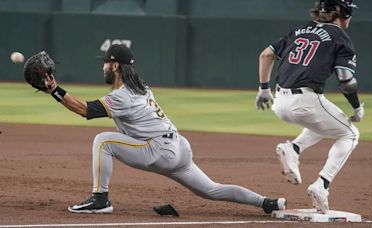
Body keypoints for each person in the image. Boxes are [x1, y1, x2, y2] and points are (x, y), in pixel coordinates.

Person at [42, 44, 286, 214]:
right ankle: (266, 203)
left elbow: (85, 109)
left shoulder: (123, 95)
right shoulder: (140, 87)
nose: (103, 67)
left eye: (106, 63)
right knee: (211, 190)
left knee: (104, 141)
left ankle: (100, 200)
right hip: (179, 147)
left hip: (159, 150)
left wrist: (54, 90)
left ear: (115, 66)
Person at [255, 0, 363, 214]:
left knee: (324, 123)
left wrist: (263, 89)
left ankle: (293, 148)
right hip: (305, 101)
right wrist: (357, 107)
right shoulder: (340, 36)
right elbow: (346, 80)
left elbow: (266, 54)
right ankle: (322, 185)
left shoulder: (299, 30)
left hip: (280, 101)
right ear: (345, 13)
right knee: (350, 134)